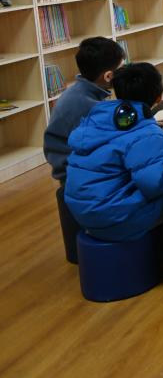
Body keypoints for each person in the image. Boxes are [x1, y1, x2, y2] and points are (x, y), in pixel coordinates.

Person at [64, 63, 163, 277]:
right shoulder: (145, 133)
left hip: (83, 212)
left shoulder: (98, 116)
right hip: (114, 219)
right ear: (158, 97)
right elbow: (156, 185)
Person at [43, 37, 124, 262]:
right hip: (71, 171)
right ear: (108, 76)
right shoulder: (87, 105)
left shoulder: (80, 91)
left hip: (67, 163)